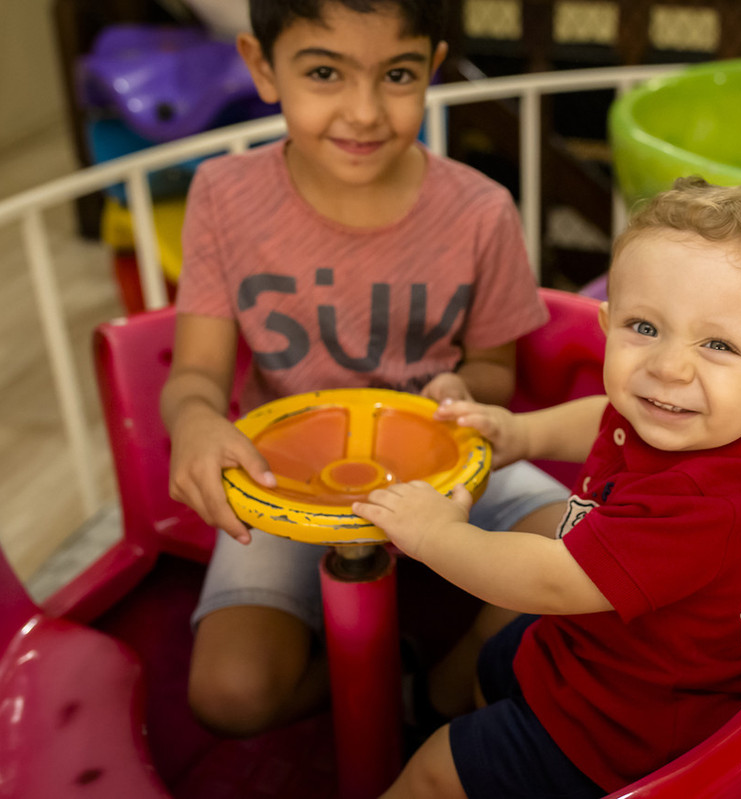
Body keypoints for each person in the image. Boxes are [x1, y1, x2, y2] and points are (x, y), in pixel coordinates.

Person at [160, 0, 569, 739]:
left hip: (448, 457)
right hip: (285, 476)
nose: (364, 111)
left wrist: (464, 389)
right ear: (262, 67)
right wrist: (192, 420)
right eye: (324, 72)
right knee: (229, 693)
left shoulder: (481, 210)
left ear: (432, 70)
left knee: (584, 549)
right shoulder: (221, 198)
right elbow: (196, 374)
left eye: (398, 74)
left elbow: (495, 373)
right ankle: (401, 661)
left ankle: (452, 677)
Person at [355, 176, 741, 798]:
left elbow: (550, 579)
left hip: (626, 734)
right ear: (607, 326)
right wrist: (521, 435)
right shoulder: (699, 422)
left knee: (435, 771)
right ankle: (429, 702)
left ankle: (447, 740)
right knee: (495, 658)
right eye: (644, 327)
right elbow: (605, 421)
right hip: (596, 657)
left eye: (717, 344)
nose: (668, 366)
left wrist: (434, 534)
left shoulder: (705, 504)